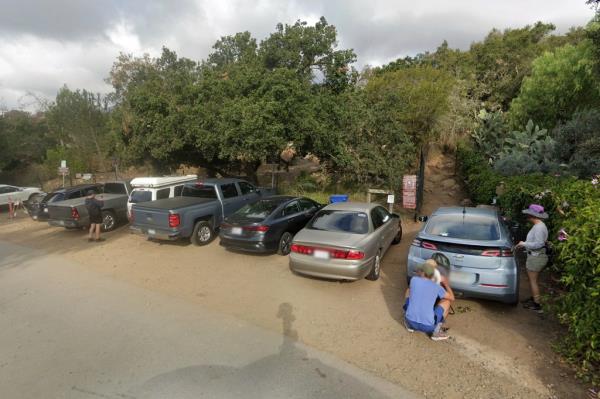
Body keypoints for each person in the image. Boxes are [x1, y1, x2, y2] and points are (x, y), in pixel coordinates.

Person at [404, 260, 455, 341]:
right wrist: (445, 284)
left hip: (410, 321)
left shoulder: (413, 280)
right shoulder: (437, 286)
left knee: (408, 290)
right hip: (428, 327)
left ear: (423, 272)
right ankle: (435, 332)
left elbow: (417, 286)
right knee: (447, 301)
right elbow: (452, 297)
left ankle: (409, 324)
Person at [516, 204, 549, 313]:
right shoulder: (539, 225)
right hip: (536, 256)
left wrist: (524, 244)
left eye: (528, 214)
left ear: (532, 215)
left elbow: (539, 244)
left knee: (533, 281)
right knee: (533, 280)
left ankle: (537, 305)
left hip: (536, 257)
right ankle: (535, 298)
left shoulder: (539, 227)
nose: (527, 216)